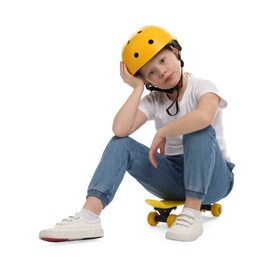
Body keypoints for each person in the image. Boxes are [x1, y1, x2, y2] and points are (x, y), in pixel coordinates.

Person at [39, 25, 235, 242]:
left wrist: (164, 130)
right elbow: (120, 129)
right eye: (150, 72)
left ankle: (191, 213)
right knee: (120, 143)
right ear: (148, 81)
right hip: (173, 177)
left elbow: (205, 116)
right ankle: (89, 217)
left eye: (162, 60)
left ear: (176, 53)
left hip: (214, 179)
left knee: (198, 129)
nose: (161, 71)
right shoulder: (154, 100)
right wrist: (137, 89)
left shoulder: (203, 86)